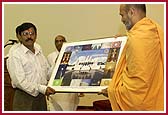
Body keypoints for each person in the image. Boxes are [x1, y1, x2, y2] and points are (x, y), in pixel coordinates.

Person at [99, 4, 164, 111]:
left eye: (122, 15)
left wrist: (113, 91)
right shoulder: (153, 30)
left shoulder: (136, 39)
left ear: (132, 12)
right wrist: (126, 41)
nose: (122, 19)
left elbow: (138, 89)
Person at [7, 22, 56, 111]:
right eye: (25, 34)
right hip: (24, 98)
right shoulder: (16, 54)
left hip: (41, 98)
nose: (29, 37)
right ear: (20, 37)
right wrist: (42, 89)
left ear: (36, 35)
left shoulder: (39, 52)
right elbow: (19, 81)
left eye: (32, 34)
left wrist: (57, 65)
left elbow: (47, 74)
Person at [47, 35, 79, 111]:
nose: (59, 43)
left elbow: (75, 72)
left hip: (68, 91)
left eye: (61, 41)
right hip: (55, 91)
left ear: (65, 42)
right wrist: (56, 63)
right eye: (57, 41)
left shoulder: (74, 55)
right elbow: (48, 75)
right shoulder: (50, 56)